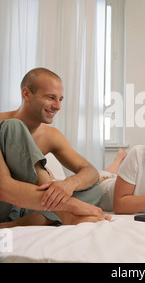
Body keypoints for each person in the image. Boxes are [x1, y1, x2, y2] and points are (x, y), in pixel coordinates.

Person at [0, 67, 112, 228]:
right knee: (14, 127)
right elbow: (5, 189)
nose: (58, 106)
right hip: (5, 200)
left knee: (94, 190)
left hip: (29, 205)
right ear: (26, 94)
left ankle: (20, 224)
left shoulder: (51, 135)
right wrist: (69, 204)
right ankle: (63, 215)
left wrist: (69, 184)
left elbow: (91, 172)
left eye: (60, 99)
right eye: (51, 97)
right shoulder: (5, 124)